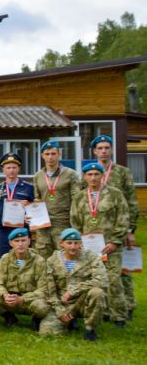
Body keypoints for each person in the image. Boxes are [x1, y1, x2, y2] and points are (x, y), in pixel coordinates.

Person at [70, 162, 129, 328]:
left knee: (113, 280)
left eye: (96, 174)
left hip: (110, 246)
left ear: (102, 176)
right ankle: (101, 312)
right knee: (91, 280)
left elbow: (123, 218)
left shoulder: (115, 194)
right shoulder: (80, 197)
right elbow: (75, 221)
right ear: (84, 177)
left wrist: (115, 241)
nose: (93, 178)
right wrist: (78, 243)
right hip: (88, 248)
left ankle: (119, 316)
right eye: (89, 175)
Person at [89, 134, 139, 320]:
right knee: (100, 269)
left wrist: (129, 230)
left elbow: (132, 202)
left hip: (118, 228)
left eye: (106, 148)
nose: (103, 151)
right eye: (100, 148)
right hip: (95, 231)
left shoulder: (122, 172)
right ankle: (107, 307)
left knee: (122, 270)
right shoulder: (88, 172)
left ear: (111, 150)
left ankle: (128, 304)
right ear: (94, 151)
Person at [41, 228, 108, 341]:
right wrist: (59, 311)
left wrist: (73, 291)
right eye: (69, 243)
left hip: (83, 302)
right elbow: (50, 289)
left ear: (81, 244)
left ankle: (90, 329)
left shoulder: (91, 257)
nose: (73, 247)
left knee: (97, 292)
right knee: (46, 332)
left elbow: (102, 280)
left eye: (76, 243)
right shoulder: (52, 260)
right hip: (63, 303)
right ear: (61, 244)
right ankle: (70, 320)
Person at [0, 228, 55, 332]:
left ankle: (36, 319)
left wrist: (22, 299)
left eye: (23, 240)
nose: (20, 244)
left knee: (42, 306)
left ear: (29, 241)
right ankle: (9, 317)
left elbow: (43, 289)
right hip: (9, 299)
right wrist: (5, 295)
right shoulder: (5, 259)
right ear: (10, 243)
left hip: (29, 301)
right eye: (16, 241)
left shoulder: (38, 261)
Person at [32, 141, 80, 258]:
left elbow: (77, 200)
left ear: (59, 155)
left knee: (64, 257)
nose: (50, 157)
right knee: (43, 259)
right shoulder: (37, 176)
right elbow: (36, 199)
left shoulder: (70, 174)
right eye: (47, 154)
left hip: (63, 223)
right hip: (43, 225)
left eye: (53, 154)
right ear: (42, 155)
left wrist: (76, 223)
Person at [0, 152, 35, 259]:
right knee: (3, 258)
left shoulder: (29, 187)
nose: (11, 170)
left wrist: (29, 206)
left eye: (14, 167)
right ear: (3, 169)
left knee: (24, 259)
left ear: (19, 169)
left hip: (22, 228)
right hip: (3, 230)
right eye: (8, 167)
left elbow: (36, 208)